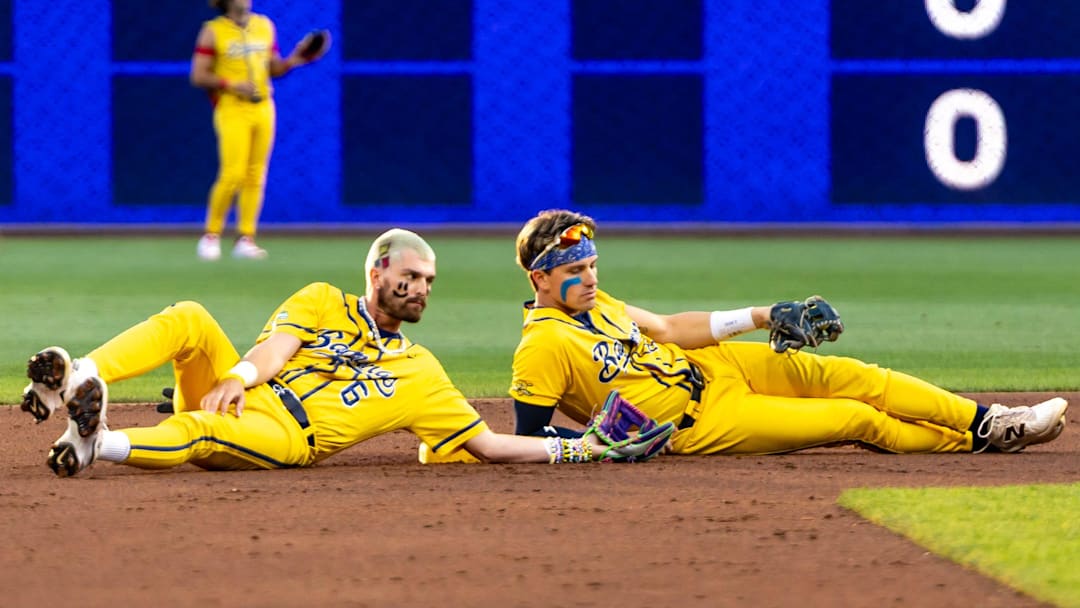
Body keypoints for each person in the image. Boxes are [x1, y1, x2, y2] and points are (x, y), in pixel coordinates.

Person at [18, 229, 674, 477]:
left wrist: (580, 446)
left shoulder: (422, 372)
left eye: (427, 283)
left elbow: (491, 446)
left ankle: (94, 441)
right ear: (377, 272)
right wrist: (240, 375)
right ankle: (75, 379)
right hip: (253, 392)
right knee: (190, 318)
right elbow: (274, 347)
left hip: (284, 435)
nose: (418, 289)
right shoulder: (323, 299)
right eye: (408, 277)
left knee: (197, 428)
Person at [505, 209, 1069, 456]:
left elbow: (672, 328)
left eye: (592, 264)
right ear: (541, 278)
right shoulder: (544, 344)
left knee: (854, 376)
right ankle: (982, 442)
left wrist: (761, 314)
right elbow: (527, 436)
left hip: (720, 369)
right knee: (856, 418)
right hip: (702, 425)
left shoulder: (597, 301)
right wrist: (592, 443)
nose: (589, 276)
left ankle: (991, 419)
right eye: (574, 270)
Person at [189, 0, 330, 261]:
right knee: (232, 173)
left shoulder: (264, 25)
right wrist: (230, 84)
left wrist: (295, 59)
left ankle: (246, 238)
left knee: (255, 174)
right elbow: (198, 74)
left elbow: (273, 68)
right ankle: (211, 236)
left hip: (263, 106)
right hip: (232, 107)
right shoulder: (213, 30)